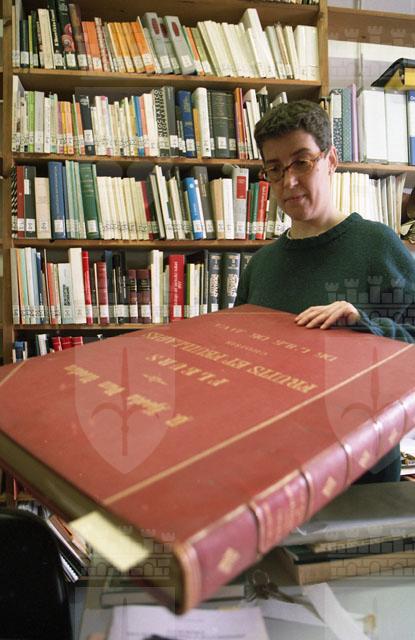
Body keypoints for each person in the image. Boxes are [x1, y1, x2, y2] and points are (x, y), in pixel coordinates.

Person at [235, 99, 415, 483]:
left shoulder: (379, 248)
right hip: (274, 470)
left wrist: (365, 325)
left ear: (331, 160)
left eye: (301, 162)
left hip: (360, 479)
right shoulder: (260, 266)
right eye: (275, 168)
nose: (289, 182)